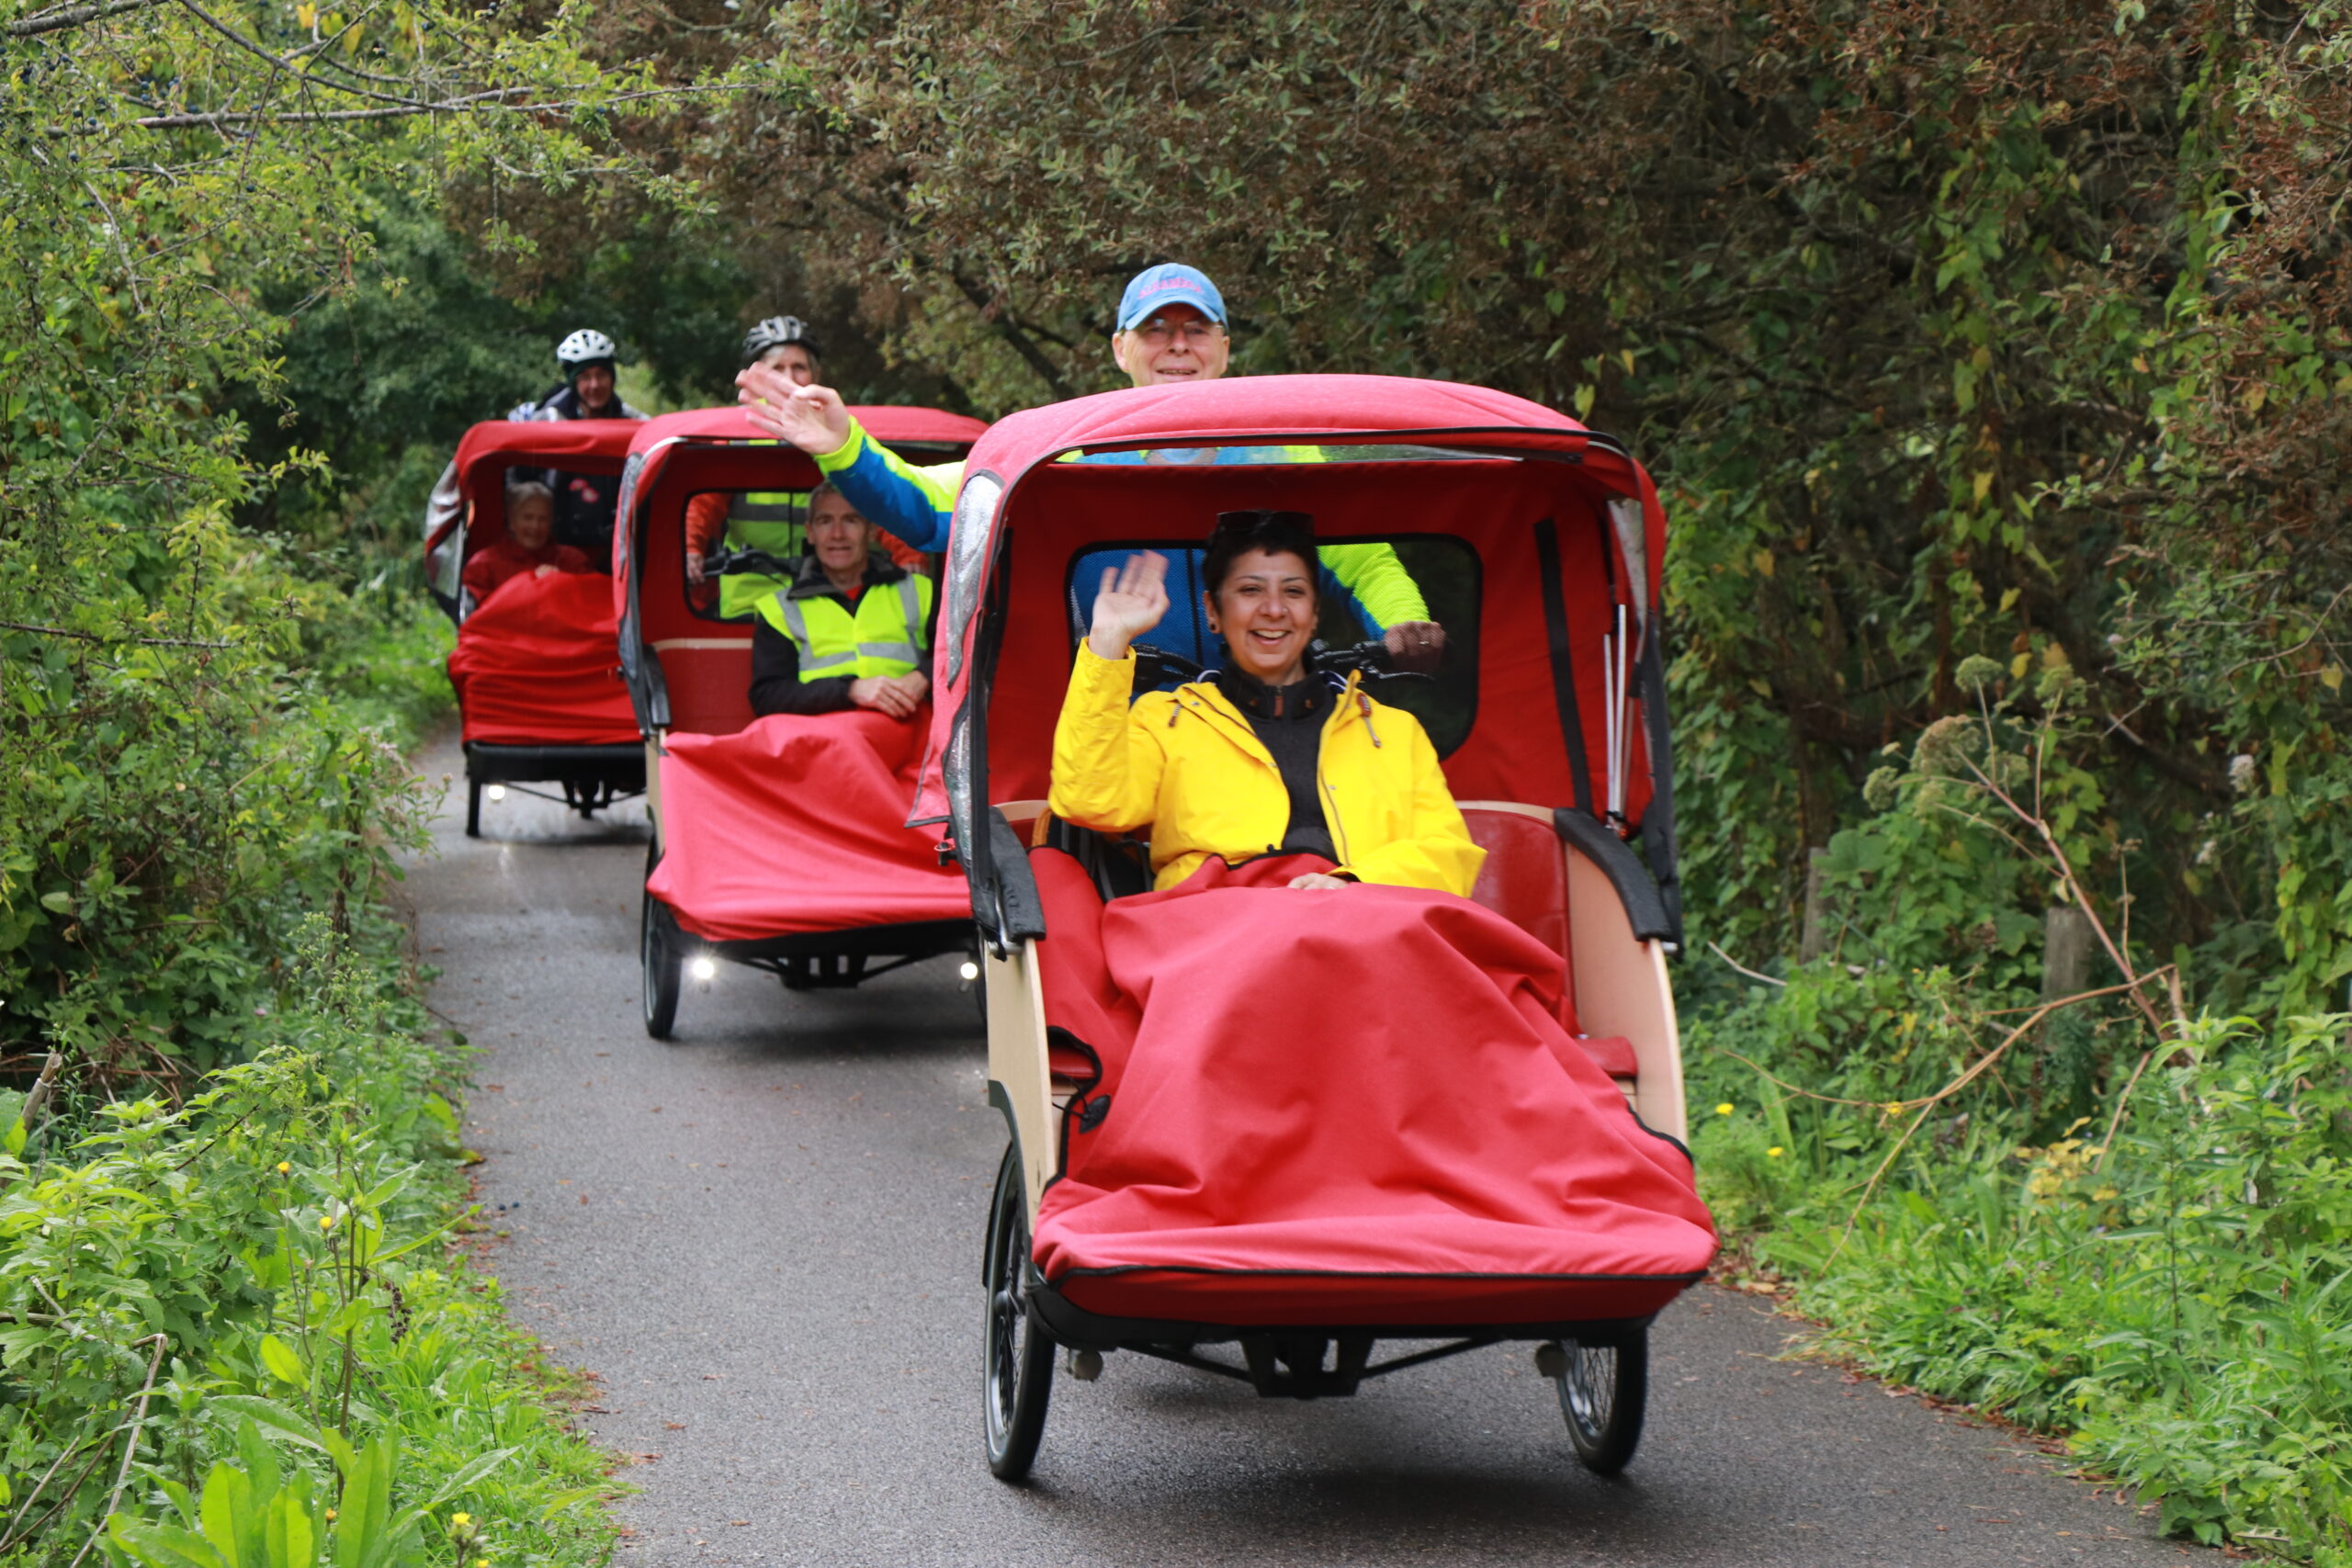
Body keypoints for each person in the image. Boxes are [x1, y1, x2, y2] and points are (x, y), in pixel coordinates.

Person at [732, 265, 1446, 671]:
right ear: (1119, 349)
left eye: (1195, 329)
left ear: (1224, 349)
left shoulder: (1283, 451)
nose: (1176, 346)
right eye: (1155, 330)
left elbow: (1363, 559)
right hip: (1115, 707)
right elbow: (929, 510)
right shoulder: (1065, 447)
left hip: (1262, 703)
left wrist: (1408, 622)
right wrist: (842, 447)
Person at [1047, 511, 1481, 895]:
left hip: (1366, 931)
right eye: (1250, 591)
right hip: (1213, 936)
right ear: (1213, 611)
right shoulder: (1166, 720)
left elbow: (1448, 854)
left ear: (1314, 614)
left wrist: (1353, 882)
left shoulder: (1393, 730)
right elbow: (1090, 801)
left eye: (1293, 592)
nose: (1274, 609)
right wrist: (1107, 642)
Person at [747, 483, 936, 720]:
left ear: (870, 531)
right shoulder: (778, 609)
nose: (837, 534)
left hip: (907, 733)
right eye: (825, 521)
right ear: (810, 533)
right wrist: (850, 690)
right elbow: (768, 698)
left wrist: (922, 678)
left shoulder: (921, 591)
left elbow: (965, 653)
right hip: (822, 741)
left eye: (851, 520)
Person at [514, 329, 647, 564]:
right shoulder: (546, 421)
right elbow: (519, 480)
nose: (594, 385)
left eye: (601, 375)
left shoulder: (633, 421)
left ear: (612, 377)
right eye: (584, 377)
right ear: (572, 382)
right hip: (556, 546)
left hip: (616, 546)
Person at [461, 482, 594, 605]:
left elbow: (591, 604)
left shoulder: (574, 561)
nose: (535, 526)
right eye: (528, 518)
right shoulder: (484, 564)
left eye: (543, 519)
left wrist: (563, 582)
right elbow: (476, 615)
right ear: (511, 521)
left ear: (551, 522)